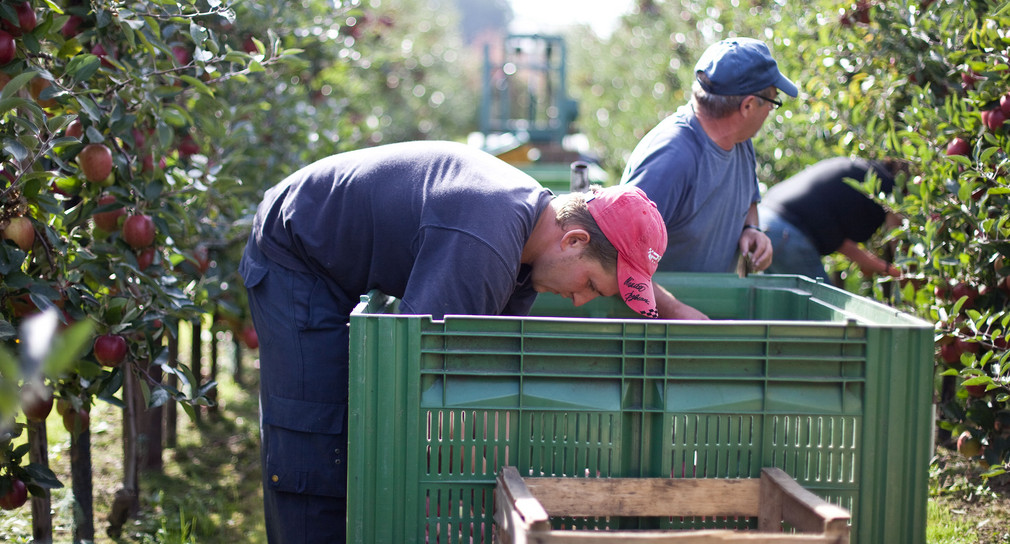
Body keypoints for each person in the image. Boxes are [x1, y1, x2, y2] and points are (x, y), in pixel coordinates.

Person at [238, 140, 705, 544]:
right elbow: (417, 384)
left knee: (346, 437)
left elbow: (480, 379)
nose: (580, 300)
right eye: (591, 284)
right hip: (296, 253)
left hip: (337, 260)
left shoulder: (528, 256)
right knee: (316, 438)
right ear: (574, 239)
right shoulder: (483, 243)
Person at [621, 37, 798, 274]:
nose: (770, 111)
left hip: (705, 307)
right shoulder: (671, 158)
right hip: (658, 311)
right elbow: (618, 258)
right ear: (747, 106)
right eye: (772, 101)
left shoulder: (739, 141)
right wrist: (675, 309)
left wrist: (752, 230)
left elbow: (749, 202)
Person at [758, 157, 904, 281]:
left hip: (761, 219)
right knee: (819, 309)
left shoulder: (859, 168)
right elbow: (841, 243)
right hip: (788, 233)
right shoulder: (888, 188)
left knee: (776, 306)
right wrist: (891, 270)